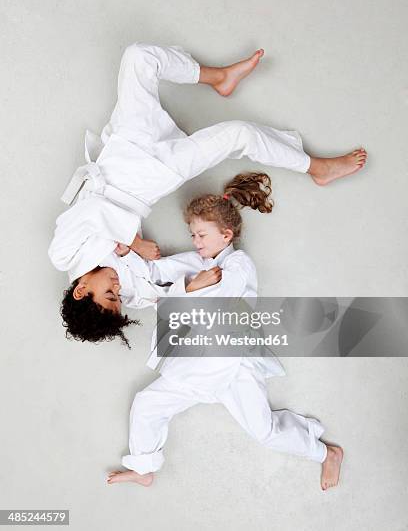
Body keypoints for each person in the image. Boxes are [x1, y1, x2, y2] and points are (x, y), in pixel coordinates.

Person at [48, 41, 367, 345]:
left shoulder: (63, 255)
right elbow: (159, 292)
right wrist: (189, 287)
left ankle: (220, 77)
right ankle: (315, 168)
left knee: (138, 57)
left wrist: (135, 243)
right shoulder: (131, 290)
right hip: (149, 177)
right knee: (238, 134)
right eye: (118, 299)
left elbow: (90, 214)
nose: (118, 289)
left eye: (109, 294)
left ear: (80, 290)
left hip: (121, 148)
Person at [106, 173, 343, 492]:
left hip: (233, 365)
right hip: (198, 364)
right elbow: (155, 273)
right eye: (193, 235)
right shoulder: (194, 262)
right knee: (147, 403)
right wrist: (127, 255)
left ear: (226, 234)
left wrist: (187, 290)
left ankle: (325, 452)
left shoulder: (240, 265)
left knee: (263, 432)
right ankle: (144, 467)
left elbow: (221, 299)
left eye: (202, 235)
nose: (196, 242)